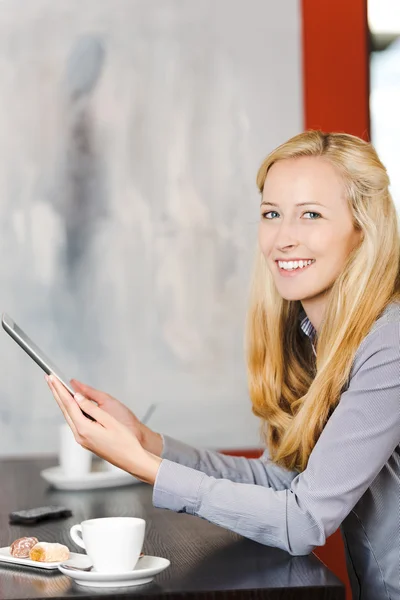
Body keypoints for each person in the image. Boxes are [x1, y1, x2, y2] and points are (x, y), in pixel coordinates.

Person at [47, 130, 400, 600]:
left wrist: (148, 468)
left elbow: (303, 519)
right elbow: (282, 482)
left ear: (363, 229)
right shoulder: (314, 338)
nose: (283, 238)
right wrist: (149, 444)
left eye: (310, 215)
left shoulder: (390, 344)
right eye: (271, 215)